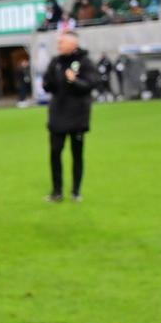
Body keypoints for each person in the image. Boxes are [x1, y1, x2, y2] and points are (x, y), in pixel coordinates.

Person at [43, 30, 97, 202]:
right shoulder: (56, 62)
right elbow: (47, 85)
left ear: (73, 44)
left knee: (77, 155)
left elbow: (90, 84)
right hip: (58, 116)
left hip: (77, 117)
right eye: (58, 43)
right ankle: (57, 191)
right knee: (55, 153)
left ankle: (75, 191)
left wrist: (74, 81)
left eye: (62, 42)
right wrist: (48, 82)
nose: (59, 45)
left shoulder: (85, 62)